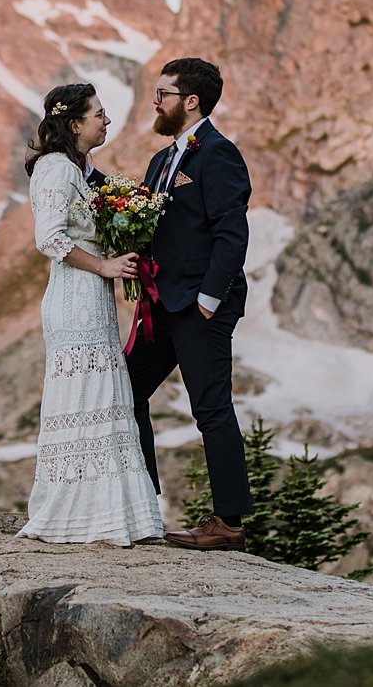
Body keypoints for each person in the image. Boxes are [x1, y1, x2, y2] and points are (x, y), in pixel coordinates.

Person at [18, 82, 164, 545]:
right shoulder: (56, 170)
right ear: (74, 124)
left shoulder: (84, 168)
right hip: (74, 298)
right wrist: (104, 264)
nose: (107, 120)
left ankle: (108, 511)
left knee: (104, 396)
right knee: (87, 394)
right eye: (99, 114)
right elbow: (51, 238)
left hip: (94, 298)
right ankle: (75, 511)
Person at [127, 58, 253, 550]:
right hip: (162, 307)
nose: (156, 102)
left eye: (164, 93)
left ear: (191, 101)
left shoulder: (219, 155)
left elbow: (231, 231)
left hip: (200, 307)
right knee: (126, 392)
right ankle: (141, 501)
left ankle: (228, 524)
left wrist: (208, 299)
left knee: (212, 410)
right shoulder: (161, 162)